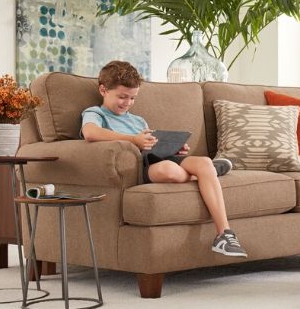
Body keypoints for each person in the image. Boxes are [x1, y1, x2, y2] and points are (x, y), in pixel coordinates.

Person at [81, 60, 246, 257]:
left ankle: (224, 234)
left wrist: (173, 147)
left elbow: (151, 143)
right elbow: (90, 133)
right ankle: (211, 172)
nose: (127, 103)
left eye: (132, 98)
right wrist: (133, 139)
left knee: (201, 161)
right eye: (122, 97)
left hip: (160, 157)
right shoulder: (95, 113)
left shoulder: (137, 120)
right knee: (170, 169)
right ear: (103, 90)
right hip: (142, 166)